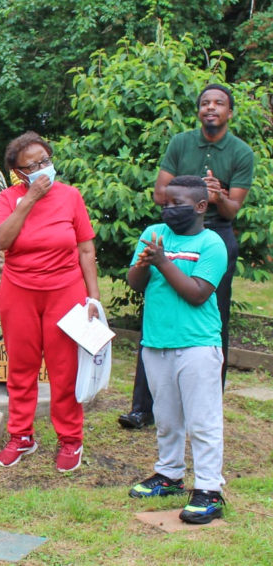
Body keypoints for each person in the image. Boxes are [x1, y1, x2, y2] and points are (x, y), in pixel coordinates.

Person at [119, 84, 254, 429]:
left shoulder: (240, 152)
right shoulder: (180, 142)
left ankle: (208, 404)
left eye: (219, 103)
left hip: (214, 234)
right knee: (158, 309)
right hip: (175, 229)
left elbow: (234, 208)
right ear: (198, 110)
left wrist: (217, 197)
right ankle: (142, 408)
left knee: (214, 317)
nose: (211, 108)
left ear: (229, 112)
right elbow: (159, 193)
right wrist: (185, 198)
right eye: (205, 103)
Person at [0, 131, 100, 473]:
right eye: (32, 165)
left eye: (45, 161)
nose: (42, 168)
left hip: (65, 291)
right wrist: (29, 201)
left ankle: (70, 439)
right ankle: (21, 436)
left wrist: (93, 297)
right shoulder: (10, 198)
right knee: (21, 368)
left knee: (64, 369)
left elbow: (85, 248)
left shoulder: (70, 197)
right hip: (19, 291)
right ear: (19, 173)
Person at [127, 175, 227, 524]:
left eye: (177, 204)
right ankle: (169, 475)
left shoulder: (211, 243)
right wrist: (143, 264)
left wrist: (163, 262)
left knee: (203, 421)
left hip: (198, 345)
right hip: (157, 343)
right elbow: (135, 283)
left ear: (200, 206)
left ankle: (209, 490)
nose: (168, 210)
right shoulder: (154, 234)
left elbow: (198, 293)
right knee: (167, 418)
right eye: (165, 204)